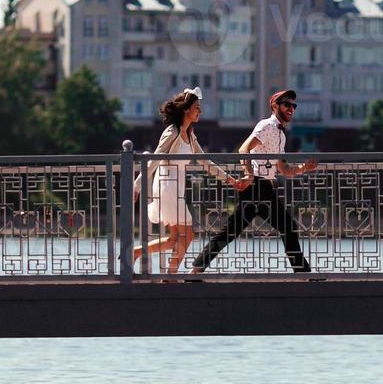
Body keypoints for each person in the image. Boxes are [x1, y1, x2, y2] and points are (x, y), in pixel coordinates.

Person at [191, 89, 318, 276]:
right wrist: (249, 174)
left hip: (264, 187)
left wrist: (303, 169)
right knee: (284, 227)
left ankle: (196, 270)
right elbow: (244, 150)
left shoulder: (281, 134)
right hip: (257, 186)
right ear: (275, 106)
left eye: (294, 105)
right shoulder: (266, 126)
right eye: (287, 104)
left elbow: (283, 169)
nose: (291, 108)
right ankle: (305, 274)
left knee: (232, 231)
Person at [132, 88, 252, 277]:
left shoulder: (189, 134)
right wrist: (137, 186)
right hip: (167, 183)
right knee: (187, 235)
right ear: (186, 110)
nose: (200, 111)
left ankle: (137, 253)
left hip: (175, 184)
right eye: (197, 107)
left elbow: (205, 161)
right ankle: (170, 276)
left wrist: (229, 179)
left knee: (175, 239)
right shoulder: (172, 132)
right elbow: (154, 159)